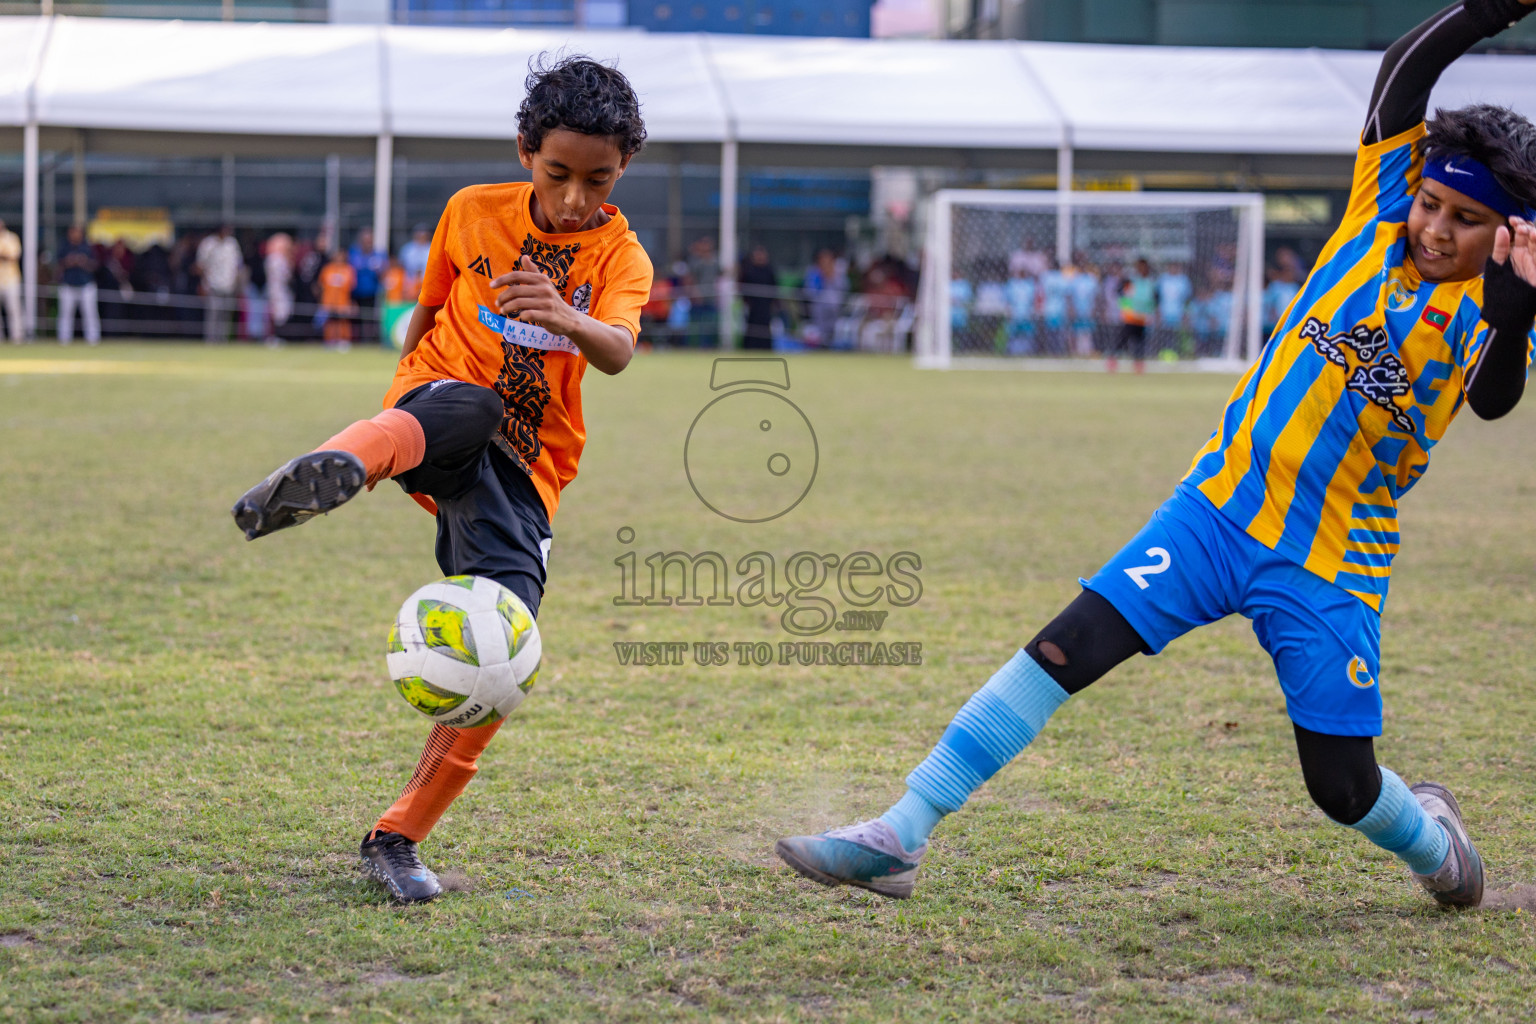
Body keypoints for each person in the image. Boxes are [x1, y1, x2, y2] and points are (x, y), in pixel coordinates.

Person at [775, 0, 1536, 909]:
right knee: (1065, 648)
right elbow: (1401, 80)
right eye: (1432, 202)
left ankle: (1434, 842)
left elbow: (1493, 397)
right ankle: (901, 831)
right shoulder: (1375, 218)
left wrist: (1515, 299)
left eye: (1464, 219)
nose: (1435, 227)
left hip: (1333, 563)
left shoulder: (1498, 312)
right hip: (1214, 511)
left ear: (1510, 233)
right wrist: (1484, 13)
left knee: (1342, 789)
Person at [229, 55, 652, 904]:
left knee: (508, 648)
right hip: (436, 410)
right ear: (527, 150)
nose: (576, 197)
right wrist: (402, 399)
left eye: (597, 180)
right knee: (468, 406)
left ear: (622, 171)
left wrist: (564, 313)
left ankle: (395, 838)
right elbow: (426, 310)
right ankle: (345, 462)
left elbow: (618, 350)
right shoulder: (471, 211)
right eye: (558, 173)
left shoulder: (619, 252)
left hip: (526, 474)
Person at [197, 225, 243, 343]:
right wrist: (204, 284)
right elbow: (201, 265)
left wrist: (237, 284)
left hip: (229, 285)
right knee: (213, 313)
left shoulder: (232, 244)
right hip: (213, 285)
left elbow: (238, 265)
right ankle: (211, 340)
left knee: (226, 314)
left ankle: (223, 340)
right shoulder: (208, 244)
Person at [56, 225, 100, 345]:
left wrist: (83, 262)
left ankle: (93, 339)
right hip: (68, 284)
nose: (75, 235)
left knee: (90, 314)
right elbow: (58, 265)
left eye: (77, 232)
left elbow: (95, 265)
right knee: (65, 314)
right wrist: (68, 261)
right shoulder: (64, 247)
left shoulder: (87, 247)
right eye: (73, 232)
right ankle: (64, 339)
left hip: (86, 285)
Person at [1112, 256, 1157, 372]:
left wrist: (1151, 312)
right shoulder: (1131, 281)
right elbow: (1120, 294)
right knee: (1122, 340)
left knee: (1140, 342)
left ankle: (1138, 364)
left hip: (1142, 318)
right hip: (1130, 317)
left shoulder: (1150, 283)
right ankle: (1112, 360)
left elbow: (1154, 299)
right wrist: (1126, 309)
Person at [350, 228, 386, 344]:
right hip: (356, 292)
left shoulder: (378, 255)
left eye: (369, 240)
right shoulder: (354, 254)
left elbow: (383, 273)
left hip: (372, 292)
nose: (367, 243)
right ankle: (357, 341)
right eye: (365, 240)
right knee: (356, 317)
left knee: (371, 317)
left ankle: (369, 340)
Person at [739, 242, 777, 351]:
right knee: (752, 328)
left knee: (765, 329)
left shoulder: (769, 270)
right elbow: (744, 288)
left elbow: (774, 287)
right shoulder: (749, 270)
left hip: (765, 307)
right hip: (753, 307)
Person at [317, 249, 356, 351]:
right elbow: (321, 285)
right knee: (330, 322)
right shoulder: (327, 269)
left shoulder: (348, 269)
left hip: (342, 301)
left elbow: (352, 286)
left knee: (342, 322)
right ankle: (329, 341)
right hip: (328, 301)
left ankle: (343, 340)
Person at [264, 233, 294, 346]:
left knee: (282, 314)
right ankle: (275, 337)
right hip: (277, 291)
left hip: (281, 290)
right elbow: (284, 276)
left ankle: (278, 337)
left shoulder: (279, 258)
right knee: (278, 314)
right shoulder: (275, 259)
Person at [0, 218, 22, 342]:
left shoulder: (11, 238)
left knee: (13, 309)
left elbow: (13, 256)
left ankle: (17, 337)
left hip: (11, 280)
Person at [398, 224, 432, 301]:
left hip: (427, 283)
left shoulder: (431, 248)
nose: (421, 237)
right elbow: (401, 266)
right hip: (409, 283)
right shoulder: (407, 249)